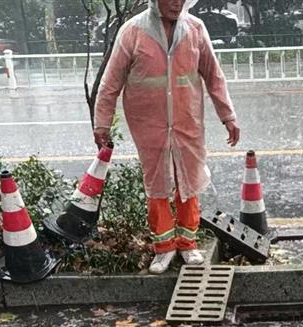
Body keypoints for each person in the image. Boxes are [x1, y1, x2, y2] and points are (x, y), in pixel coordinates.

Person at [93, 0, 241, 274]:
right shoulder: (133, 31)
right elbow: (110, 83)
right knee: (157, 181)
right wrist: (102, 123)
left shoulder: (195, 29)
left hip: (187, 121)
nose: (176, 3)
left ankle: (187, 242)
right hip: (149, 123)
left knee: (189, 177)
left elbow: (214, 76)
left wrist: (228, 116)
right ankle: (163, 247)